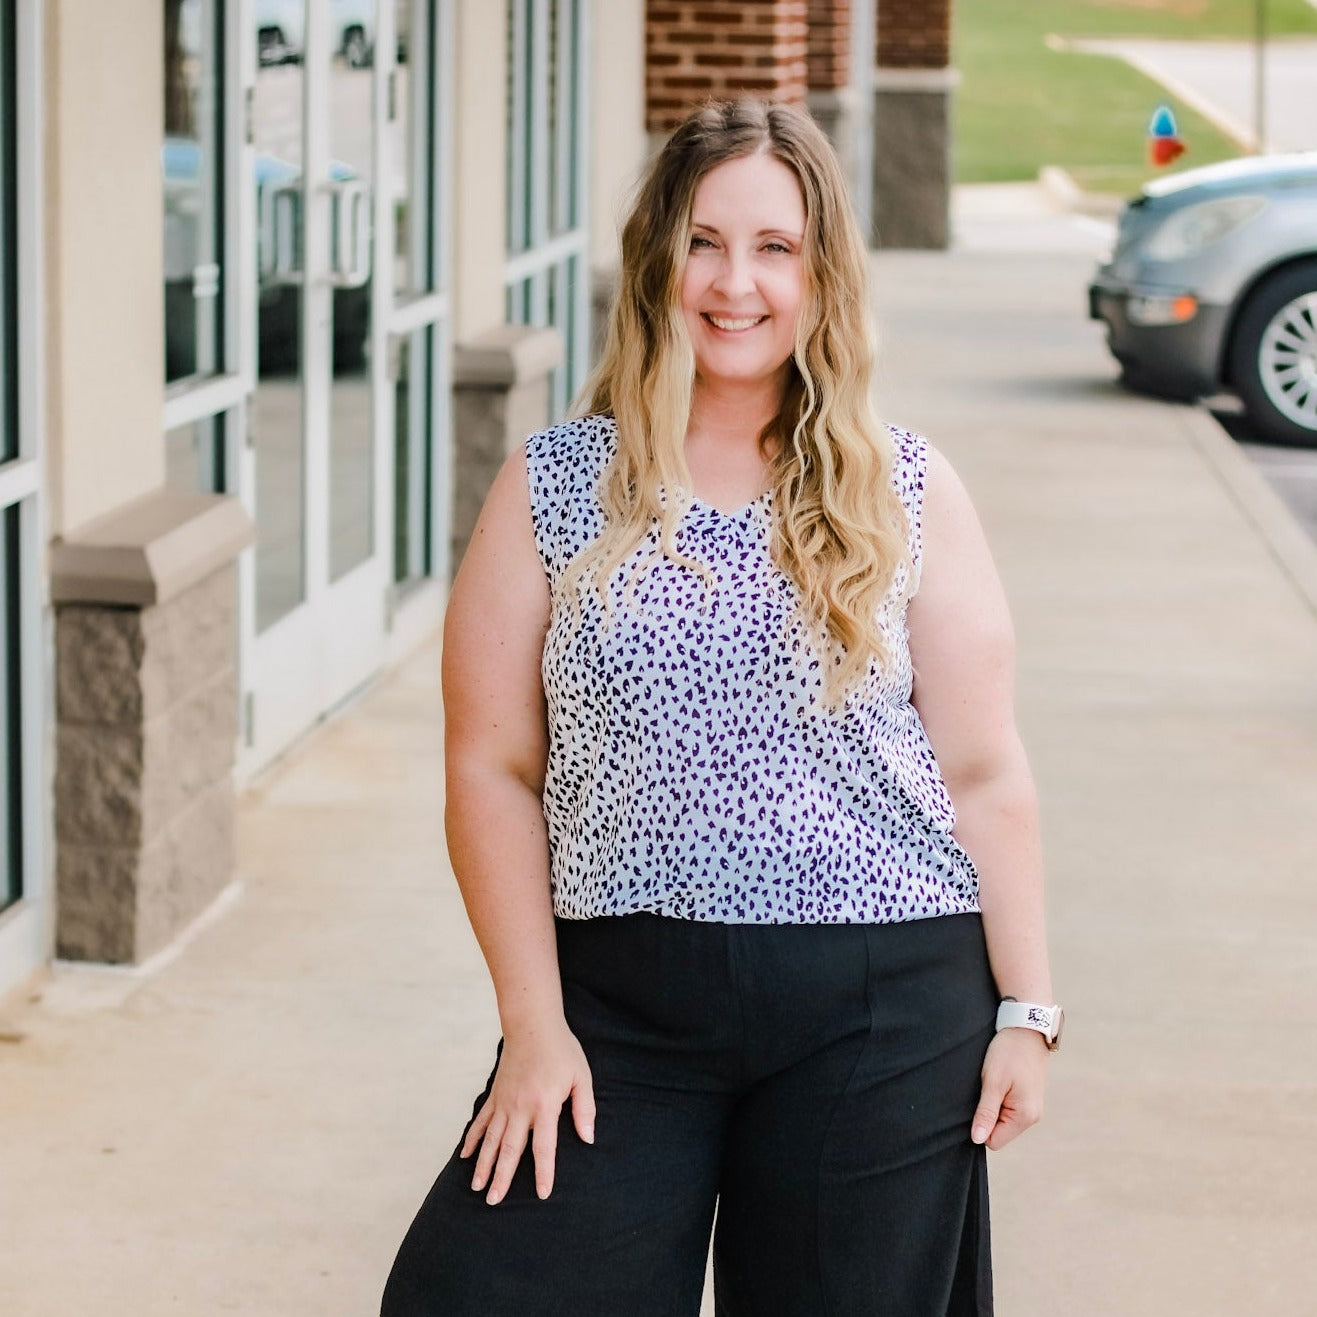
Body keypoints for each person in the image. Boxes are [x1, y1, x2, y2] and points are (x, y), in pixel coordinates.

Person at [381, 97, 1061, 1317]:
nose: (735, 282)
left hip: (884, 1010)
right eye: (704, 241)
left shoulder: (904, 487)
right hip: (621, 1006)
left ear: (821, 275)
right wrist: (533, 1026)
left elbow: (983, 771)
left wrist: (1028, 1012)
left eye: (775, 247)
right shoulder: (555, 485)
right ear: (658, 261)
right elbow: (490, 767)